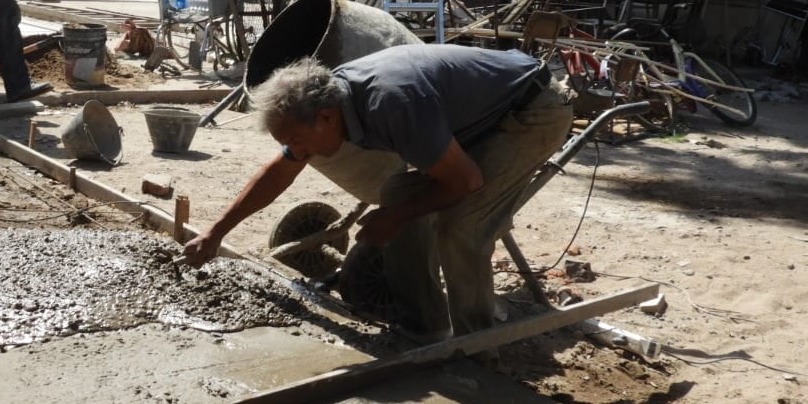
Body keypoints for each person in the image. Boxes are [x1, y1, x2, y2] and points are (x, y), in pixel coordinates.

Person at [182, 44, 574, 336]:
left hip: (533, 110)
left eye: (299, 141)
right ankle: (426, 327)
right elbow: (279, 171)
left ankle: (476, 345)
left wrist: (394, 219)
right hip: (484, 114)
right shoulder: (326, 103)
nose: (300, 153)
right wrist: (215, 232)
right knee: (398, 194)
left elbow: (465, 181)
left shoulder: (391, 102)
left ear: (325, 117)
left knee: (462, 226)